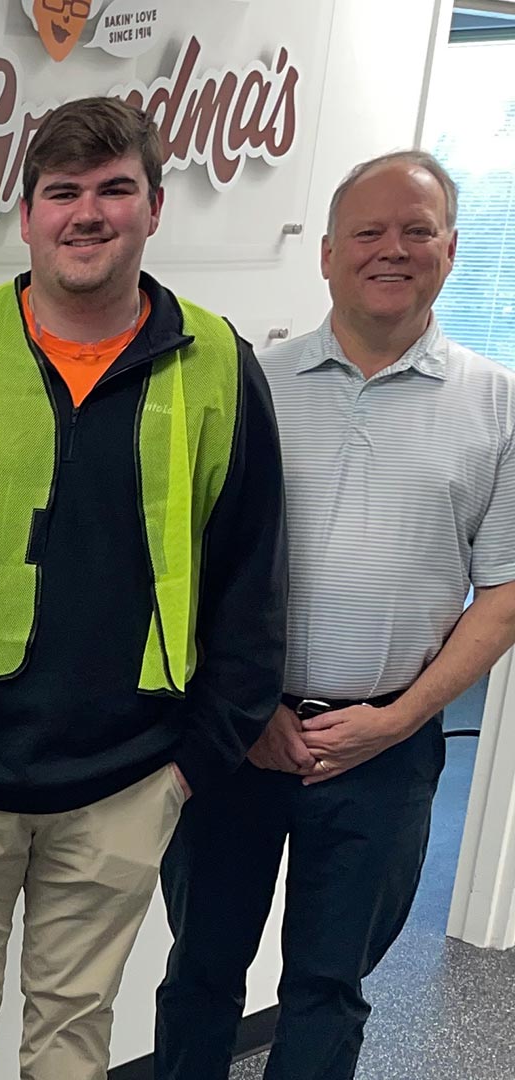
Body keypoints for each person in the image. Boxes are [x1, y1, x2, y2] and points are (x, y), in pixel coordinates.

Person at [0, 96, 286, 1080]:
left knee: (71, 1042)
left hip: (125, 781)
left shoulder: (218, 366)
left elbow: (251, 578)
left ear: (155, 207)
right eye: (62, 192)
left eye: (114, 189)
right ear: (26, 216)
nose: (86, 214)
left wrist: (190, 766)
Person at [155, 151, 515, 1080]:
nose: (392, 249)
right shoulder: (251, 385)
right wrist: (250, 707)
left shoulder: (499, 406)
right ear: (326, 254)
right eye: (368, 232)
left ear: (451, 249)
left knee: (329, 989)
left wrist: (398, 719)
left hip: (387, 752)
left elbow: (505, 592)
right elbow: (189, 565)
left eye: (417, 231)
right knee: (200, 972)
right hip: (238, 736)